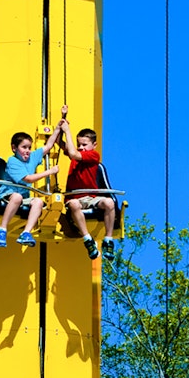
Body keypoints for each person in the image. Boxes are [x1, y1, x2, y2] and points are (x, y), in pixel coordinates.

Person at [58, 105, 117, 261]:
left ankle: (108, 239)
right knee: (74, 205)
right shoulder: (76, 155)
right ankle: (87, 239)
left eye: (84, 144)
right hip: (75, 198)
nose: (81, 147)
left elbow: (72, 153)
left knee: (109, 202)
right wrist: (63, 121)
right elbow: (62, 143)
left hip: (90, 198)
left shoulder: (92, 156)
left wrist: (68, 131)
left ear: (93, 145)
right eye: (79, 144)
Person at [0, 126, 64, 248]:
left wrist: (58, 127)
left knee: (38, 201)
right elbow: (28, 179)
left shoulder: (32, 157)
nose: (27, 151)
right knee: (17, 197)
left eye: (29, 148)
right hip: (9, 194)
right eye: (24, 147)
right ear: (14, 148)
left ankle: (26, 233)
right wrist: (50, 171)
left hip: (23, 197)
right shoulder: (13, 161)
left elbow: (48, 146)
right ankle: (2, 229)